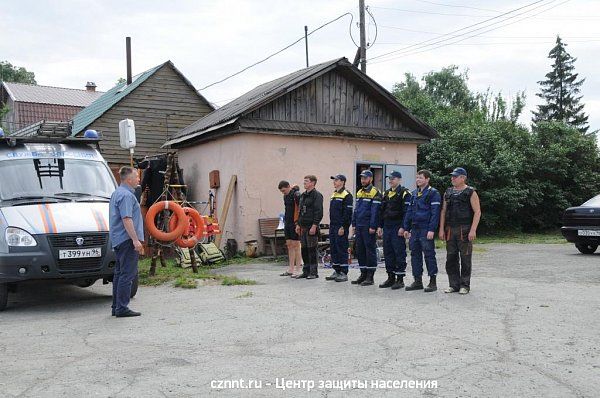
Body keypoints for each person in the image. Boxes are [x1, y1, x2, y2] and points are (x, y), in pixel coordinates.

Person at [439, 167, 482, 295]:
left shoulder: (470, 192)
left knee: (465, 258)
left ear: (463, 178)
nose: (452, 178)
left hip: (465, 228)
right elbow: (443, 211)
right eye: (452, 176)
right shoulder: (448, 192)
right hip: (450, 229)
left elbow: (477, 212)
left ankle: (465, 285)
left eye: (455, 176)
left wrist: (473, 230)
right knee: (451, 258)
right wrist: (441, 229)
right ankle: (453, 284)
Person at [109, 166, 145, 317]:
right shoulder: (126, 196)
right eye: (136, 176)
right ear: (129, 179)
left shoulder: (117, 193)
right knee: (127, 274)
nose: (139, 179)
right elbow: (127, 218)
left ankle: (116, 307)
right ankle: (122, 308)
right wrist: (135, 240)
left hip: (118, 239)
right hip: (127, 240)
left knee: (119, 273)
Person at [403, 170, 441, 293]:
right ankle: (417, 281)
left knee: (429, 254)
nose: (418, 179)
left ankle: (432, 281)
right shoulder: (414, 194)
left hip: (425, 228)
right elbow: (409, 212)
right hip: (415, 228)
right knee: (415, 255)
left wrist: (431, 229)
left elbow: (435, 213)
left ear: (427, 179)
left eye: (421, 177)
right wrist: (406, 228)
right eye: (417, 177)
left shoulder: (433, 193)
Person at [377, 171, 412, 290]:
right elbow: (382, 211)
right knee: (388, 252)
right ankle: (390, 277)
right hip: (387, 226)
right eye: (389, 179)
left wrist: (404, 227)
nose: (390, 180)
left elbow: (407, 212)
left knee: (399, 252)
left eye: (393, 178)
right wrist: (380, 226)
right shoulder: (386, 193)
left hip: (398, 226)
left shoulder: (404, 193)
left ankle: (400, 279)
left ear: (399, 180)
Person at [350, 170, 383, 286]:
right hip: (359, 225)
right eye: (361, 178)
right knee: (360, 250)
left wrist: (373, 226)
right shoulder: (359, 192)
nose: (362, 180)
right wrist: (353, 224)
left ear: (371, 179)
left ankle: (370, 276)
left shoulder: (375, 192)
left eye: (365, 178)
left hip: (368, 226)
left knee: (370, 251)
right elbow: (356, 209)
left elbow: (376, 211)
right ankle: (363, 273)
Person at [325, 174, 353, 283]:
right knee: (334, 248)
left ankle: (343, 272)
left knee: (341, 248)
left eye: (336, 180)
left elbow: (347, 213)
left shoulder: (346, 195)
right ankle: (336, 270)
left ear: (342, 182)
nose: (334, 182)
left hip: (341, 226)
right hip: (333, 225)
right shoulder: (334, 194)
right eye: (334, 180)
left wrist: (343, 226)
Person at [295, 175, 324, 279]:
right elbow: (300, 211)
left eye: (306, 181)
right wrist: (298, 224)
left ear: (313, 183)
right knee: (304, 250)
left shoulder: (317, 195)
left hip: (311, 227)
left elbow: (319, 212)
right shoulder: (303, 195)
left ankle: (313, 272)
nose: (304, 183)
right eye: (304, 181)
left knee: (312, 250)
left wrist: (314, 225)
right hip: (303, 226)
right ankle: (306, 271)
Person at [278, 181, 302, 277]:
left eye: (284, 190)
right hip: (287, 222)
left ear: (288, 187)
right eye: (281, 191)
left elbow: (300, 209)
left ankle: (298, 269)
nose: (283, 193)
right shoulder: (285, 196)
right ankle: (291, 268)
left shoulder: (296, 195)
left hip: (295, 222)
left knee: (296, 245)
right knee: (289, 245)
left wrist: (298, 224)